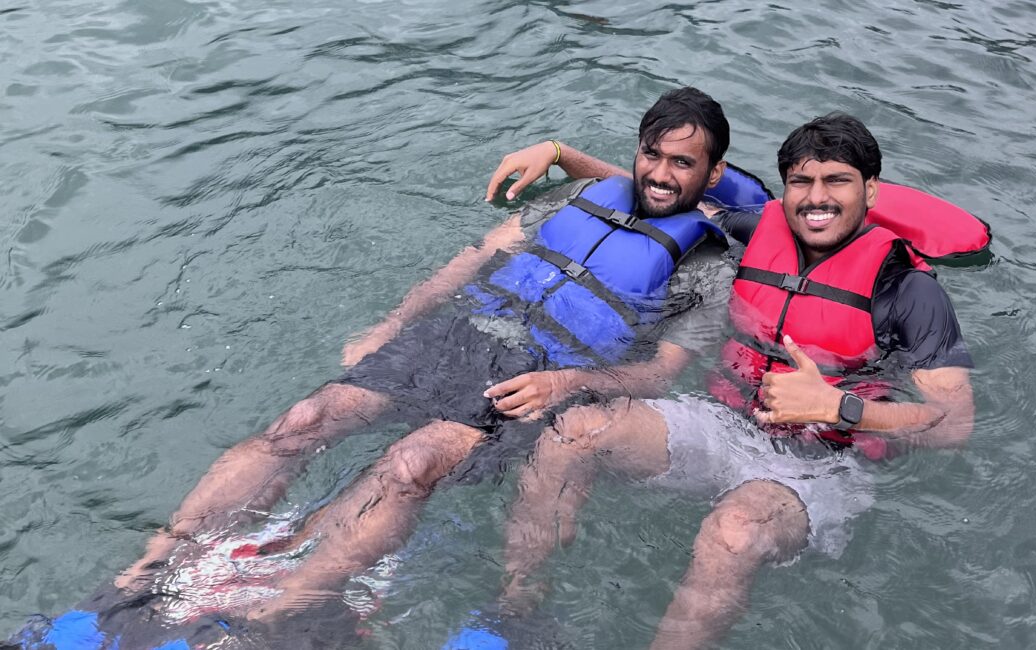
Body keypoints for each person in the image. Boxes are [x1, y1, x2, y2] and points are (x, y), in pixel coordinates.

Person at [109, 86, 747, 623]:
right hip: (460, 337)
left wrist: (566, 382)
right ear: (636, 150)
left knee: (411, 463)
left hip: (535, 379)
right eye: (651, 154)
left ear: (712, 173)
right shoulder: (577, 196)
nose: (661, 174)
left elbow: (663, 372)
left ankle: (279, 610)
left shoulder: (710, 267)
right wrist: (391, 323)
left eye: (682, 164)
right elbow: (474, 257)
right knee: (304, 420)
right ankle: (153, 566)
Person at [483, 114, 977, 650]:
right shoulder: (757, 227)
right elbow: (666, 191)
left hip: (819, 463)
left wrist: (840, 408)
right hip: (724, 425)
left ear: (871, 189)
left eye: (836, 181)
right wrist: (559, 153)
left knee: (733, 533)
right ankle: (515, 614)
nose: (816, 199)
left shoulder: (909, 291)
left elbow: (954, 423)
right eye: (801, 182)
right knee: (572, 433)